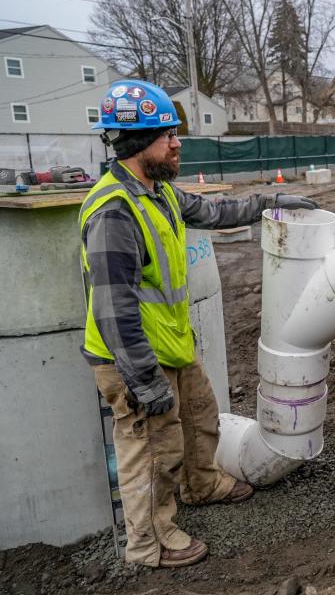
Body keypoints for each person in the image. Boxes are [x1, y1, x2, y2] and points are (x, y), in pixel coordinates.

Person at [81, 80, 318, 568]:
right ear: (134, 144)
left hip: (171, 345)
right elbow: (114, 312)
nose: (176, 142)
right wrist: (144, 382)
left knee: (200, 418)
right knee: (152, 449)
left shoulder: (159, 193)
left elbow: (215, 210)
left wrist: (272, 203)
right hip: (133, 357)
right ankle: (150, 543)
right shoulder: (115, 213)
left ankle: (203, 485)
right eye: (166, 134)